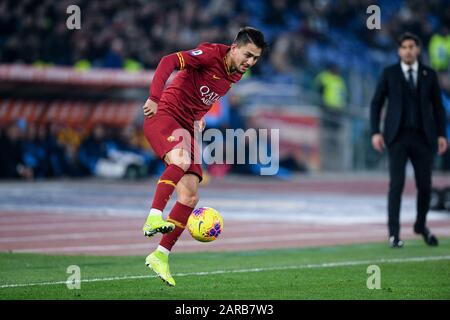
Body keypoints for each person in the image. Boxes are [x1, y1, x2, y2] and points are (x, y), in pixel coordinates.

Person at [141, 27, 267, 286]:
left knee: (190, 195)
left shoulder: (236, 72)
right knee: (182, 161)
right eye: (248, 55)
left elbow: (207, 92)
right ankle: (154, 215)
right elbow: (169, 61)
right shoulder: (211, 54)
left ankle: (160, 255)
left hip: (186, 123)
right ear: (234, 47)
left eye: (256, 58)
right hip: (164, 114)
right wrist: (154, 98)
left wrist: (199, 117)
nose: (250, 62)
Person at [370, 32, 448, 248]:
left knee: (425, 186)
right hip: (397, 137)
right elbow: (376, 103)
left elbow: (438, 108)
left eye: (411, 46)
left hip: (424, 137)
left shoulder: (429, 74)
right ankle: (393, 234)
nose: (408, 50)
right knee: (397, 185)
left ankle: (420, 225)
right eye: (404, 47)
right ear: (398, 51)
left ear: (418, 49)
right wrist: (375, 132)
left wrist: (442, 134)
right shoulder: (389, 73)